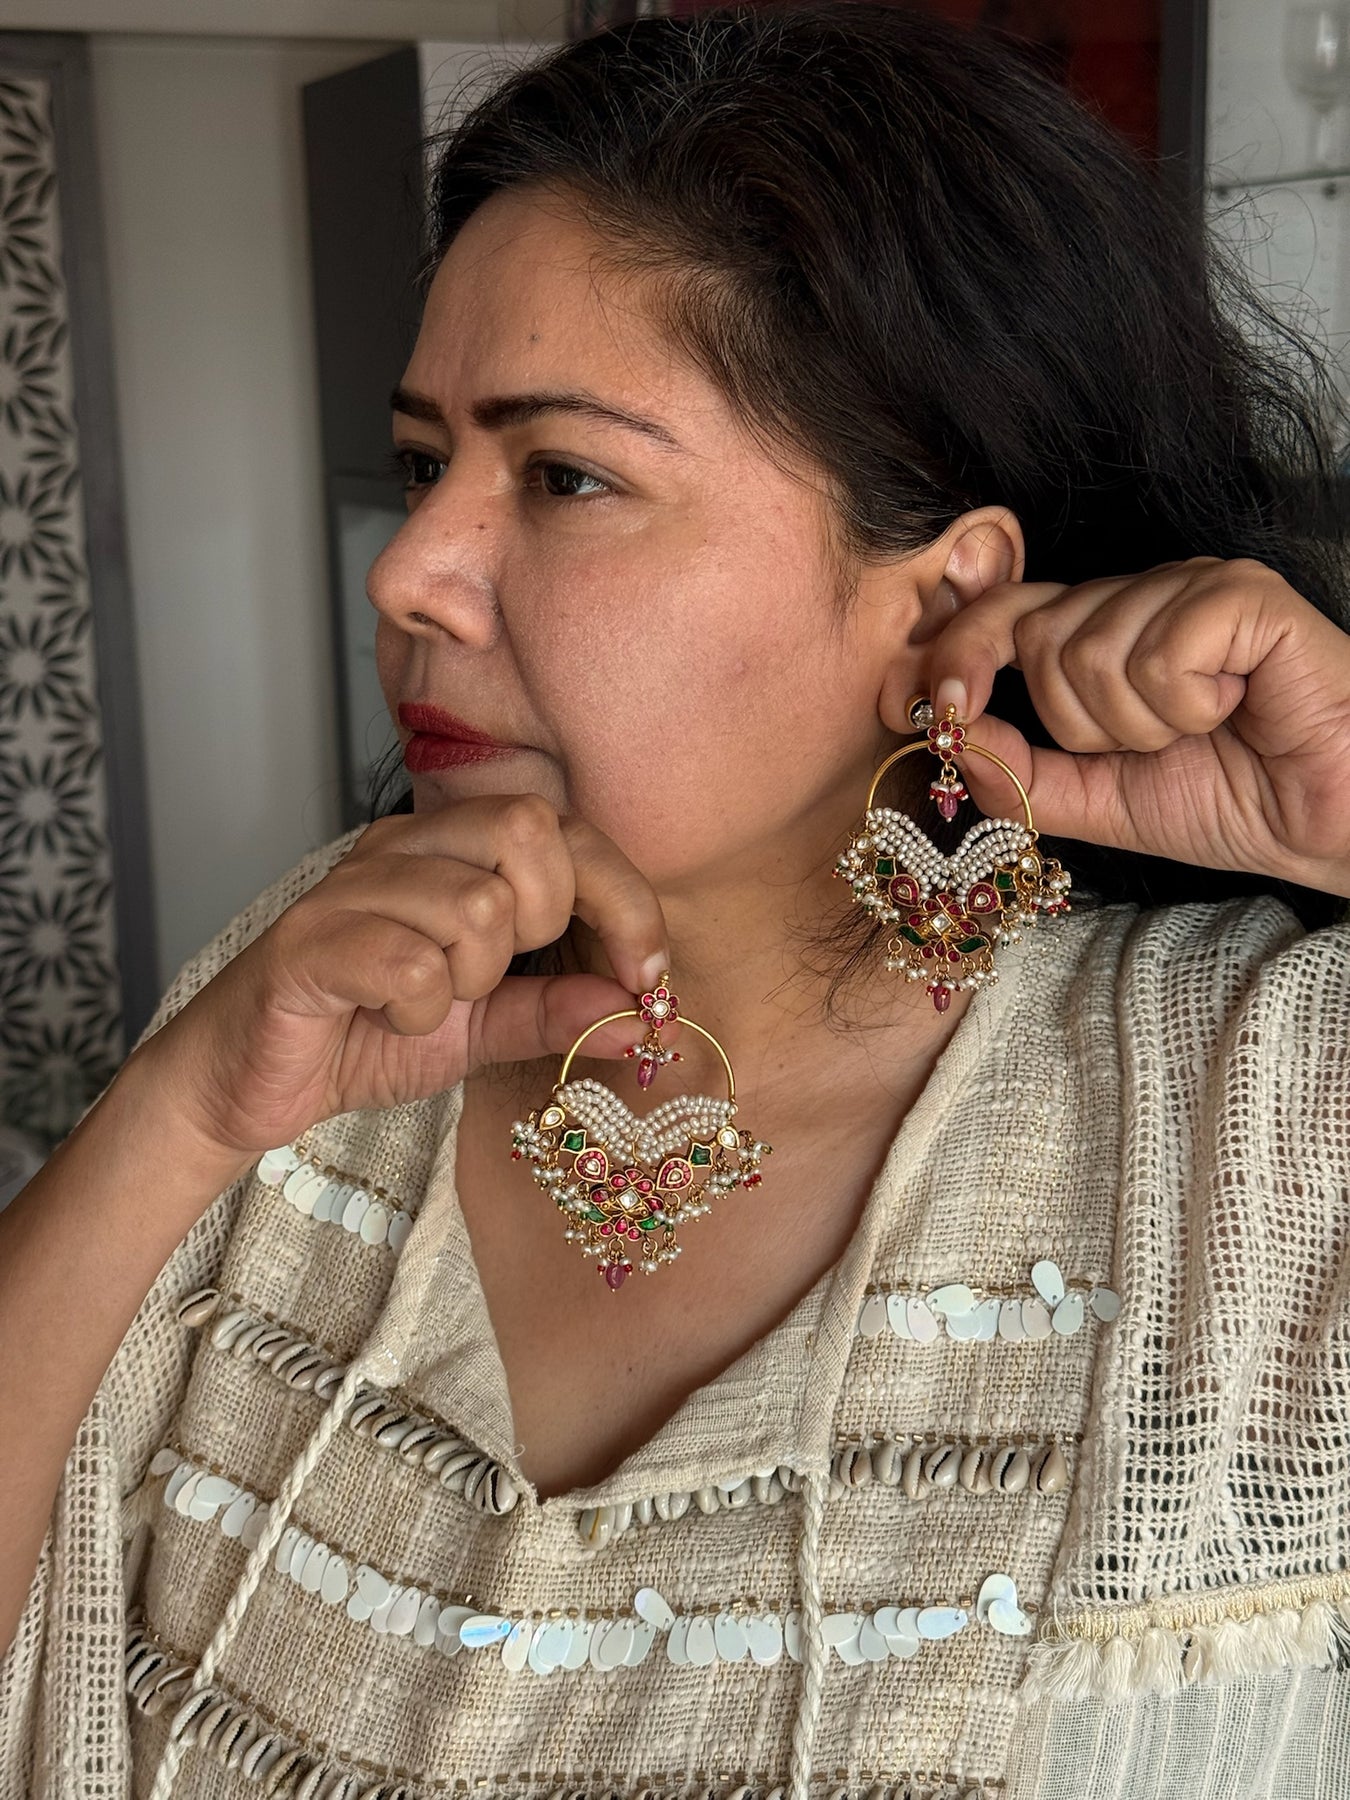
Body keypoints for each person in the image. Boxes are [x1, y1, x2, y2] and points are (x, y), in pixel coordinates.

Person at [3, 6, 1349, 1797]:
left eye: (564, 475)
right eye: (425, 464)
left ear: (940, 594)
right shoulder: (321, 976)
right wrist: (174, 1118)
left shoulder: (1266, 1110)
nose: (410, 570)